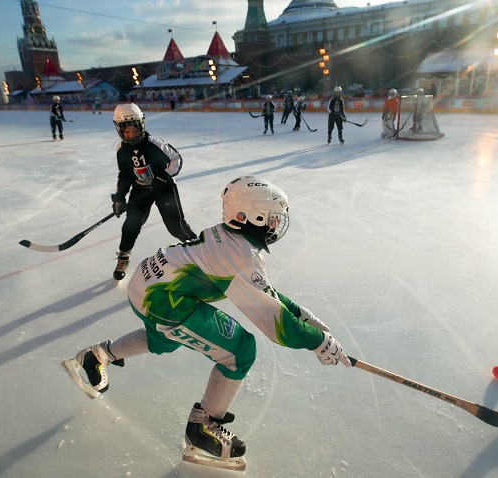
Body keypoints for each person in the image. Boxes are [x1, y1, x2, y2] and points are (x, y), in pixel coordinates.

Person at [62, 175, 351, 470]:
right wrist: (318, 342)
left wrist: (297, 311)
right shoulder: (240, 257)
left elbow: (263, 292)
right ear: (251, 216)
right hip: (164, 300)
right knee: (240, 351)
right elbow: (278, 326)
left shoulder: (228, 235)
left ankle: (96, 355)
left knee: (164, 339)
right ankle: (202, 429)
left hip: (146, 282)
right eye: (273, 218)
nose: (277, 225)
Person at [110, 103, 197, 280]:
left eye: (135, 130)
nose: (132, 135)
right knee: (130, 226)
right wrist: (119, 198)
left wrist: (163, 177)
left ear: (142, 125)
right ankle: (123, 257)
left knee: (176, 226)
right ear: (119, 130)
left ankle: (200, 251)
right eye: (127, 132)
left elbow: (176, 159)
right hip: (140, 191)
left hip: (163, 189)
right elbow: (125, 175)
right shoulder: (121, 149)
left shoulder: (154, 143)